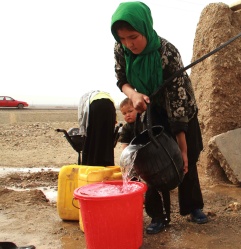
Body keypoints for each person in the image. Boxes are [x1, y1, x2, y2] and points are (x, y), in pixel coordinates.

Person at [111, 1, 208, 234]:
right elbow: (121, 79)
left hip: (181, 110)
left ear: (145, 28)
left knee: (187, 161)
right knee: (148, 161)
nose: (128, 44)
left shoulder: (167, 52)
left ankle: (193, 207)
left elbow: (178, 101)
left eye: (133, 36)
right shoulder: (120, 50)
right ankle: (158, 215)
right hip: (148, 109)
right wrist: (133, 95)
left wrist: (182, 148)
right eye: (123, 38)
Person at [78, 90, 116, 166]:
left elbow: (82, 116)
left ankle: (91, 163)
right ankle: (107, 163)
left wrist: (83, 129)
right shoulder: (106, 95)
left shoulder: (84, 99)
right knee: (107, 137)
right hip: (110, 106)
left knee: (92, 136)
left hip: (95, 106)